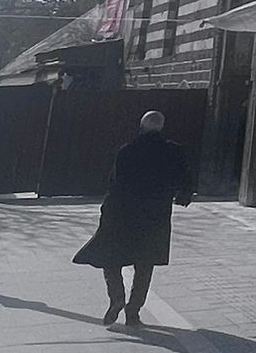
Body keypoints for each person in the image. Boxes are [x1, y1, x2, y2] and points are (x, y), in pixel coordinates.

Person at [72, 111, 193, 326]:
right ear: (161, 127)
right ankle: (133, 310)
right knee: (145, 264)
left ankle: (117, 297)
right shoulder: (174, 151)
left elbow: (115, 184)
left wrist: (106, 211)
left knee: (111, 258)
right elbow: (185, 181)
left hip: (123, 214)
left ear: (141, 126)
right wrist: (182, 195)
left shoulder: (127, 151)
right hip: (155, 216)